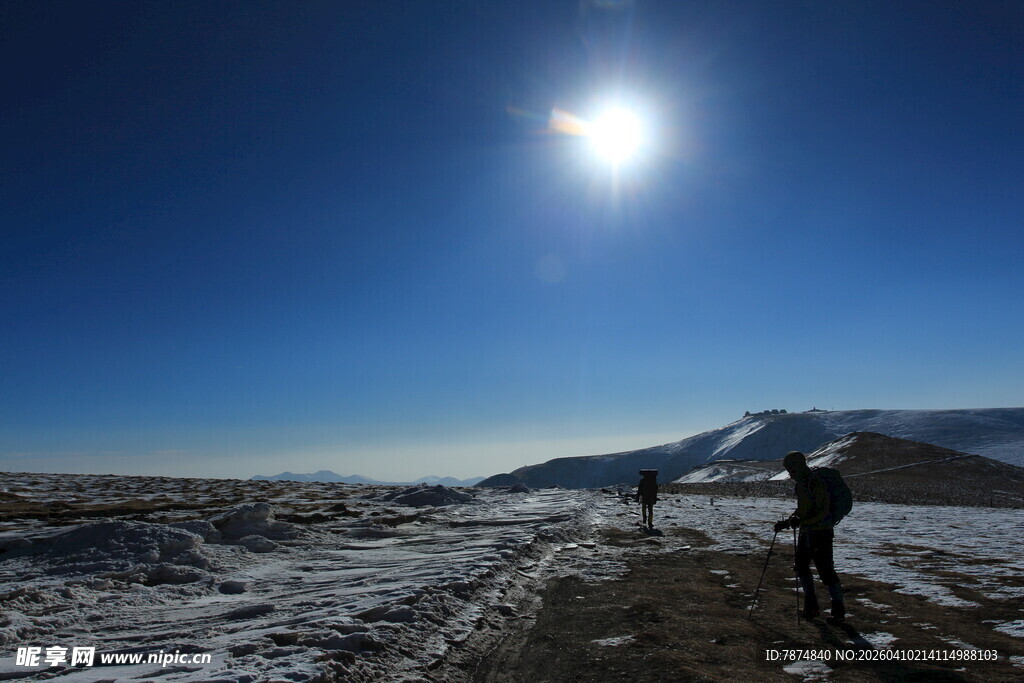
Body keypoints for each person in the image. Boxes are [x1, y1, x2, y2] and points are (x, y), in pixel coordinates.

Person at [774, 451, 845, 624]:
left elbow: (822, 511)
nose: (790, 473)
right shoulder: (802, 484)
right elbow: (803, 509)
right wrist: (790, 521)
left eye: (791, 469)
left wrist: (800, 520)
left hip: (821, 532)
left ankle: (837, 611)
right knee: (802, 567)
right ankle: (811, 606)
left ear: (798, 466)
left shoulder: (815, 483)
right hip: (807, 531)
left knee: (825, 571)